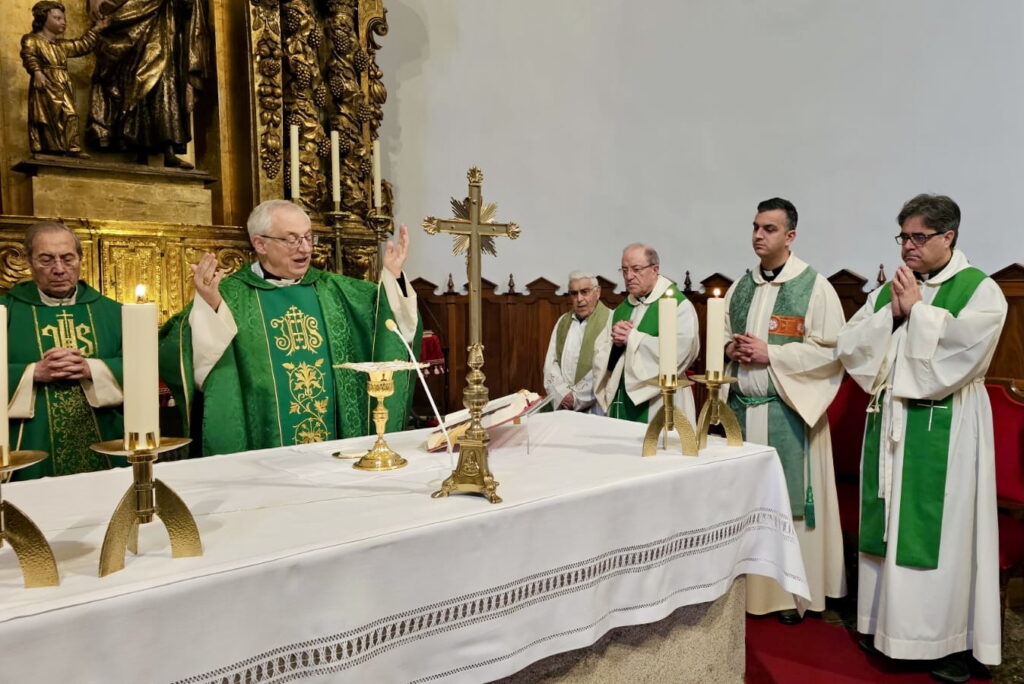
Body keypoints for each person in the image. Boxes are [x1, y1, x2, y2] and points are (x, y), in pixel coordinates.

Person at [837, 194, 1005, 682]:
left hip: (945, 424)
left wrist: (918, 312)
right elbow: (851, 345)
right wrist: (891, 313)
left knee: (943, 533)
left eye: (918, 237)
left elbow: (970, 350)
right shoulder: (893, 287)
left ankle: (946, 641)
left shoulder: (980, 289)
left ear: (948, 237)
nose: (907, 246)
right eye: (903, 237)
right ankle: (885, 624)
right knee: (888, 521)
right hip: (891, 420)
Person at [160, 200, 421, 456]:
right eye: (292, 239)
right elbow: (185, 354)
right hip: (264, 443)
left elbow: (389, 322)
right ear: (260, 244)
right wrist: (210, 307)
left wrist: (394, 276)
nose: (305, 248)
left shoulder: (334, 289)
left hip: (335, 444)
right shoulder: (230, 295)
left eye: (308, 237)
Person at [723, 198, 847, 623]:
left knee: (789, 510)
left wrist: (771, 354)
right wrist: (731, 348)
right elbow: (722, 335)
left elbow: (832, 352)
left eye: (770, 229)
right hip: (742, 410)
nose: (759, 235)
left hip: (788, 413)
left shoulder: (814, 287)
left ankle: (791, 596)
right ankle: (746, 592)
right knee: (744, 505)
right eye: (756, 226)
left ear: (790, 236)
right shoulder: (743, 286)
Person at [3, 222, 124, 479]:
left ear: (81, 259)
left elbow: (143, 367)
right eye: (46, 260)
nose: (58, 269)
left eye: (67, 259)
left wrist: (92, 368)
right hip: (30, 445)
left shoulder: (114, 312)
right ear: (29, 261)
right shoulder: (6, 311)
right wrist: (32, 373)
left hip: (107, 441)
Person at [85, 0, 208, 167]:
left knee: (165, 85)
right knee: (136, 82)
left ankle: (168, 148)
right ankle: (137, 145)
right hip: (136, 24)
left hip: (165, 25)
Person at [594, 243, 699, 423]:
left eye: (636, 269)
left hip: (661, 399)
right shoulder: (622, 308)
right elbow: (601, 355)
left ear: (655, 269)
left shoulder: (678, 305)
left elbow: (681, 353)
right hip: (623, 398)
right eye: (624, 270)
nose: (629, 276)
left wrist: (632, 338)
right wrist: (616, 345)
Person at [20, 1, 108, 157]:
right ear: (43, 19)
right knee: (46, 117)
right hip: (45, 82)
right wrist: (37, 72)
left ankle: (72, 148)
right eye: (57, 18)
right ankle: (49, 148)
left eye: (63, 18)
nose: (63, 22)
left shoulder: (61, 45)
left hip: (62, 82)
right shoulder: (31, 39)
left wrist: (96, 29)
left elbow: (81, 45)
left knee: (70, 114)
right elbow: (29, 56)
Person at [542, 271, 612, 414]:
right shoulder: (563, 321)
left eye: (585, 292)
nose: (579, 299)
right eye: (574, 293)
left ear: (597, 292)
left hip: (596, 407)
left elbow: (605, 368)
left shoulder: (610, 320)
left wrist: (576, 398)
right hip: (564, 405)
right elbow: (551, 362)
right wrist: (562, 394)